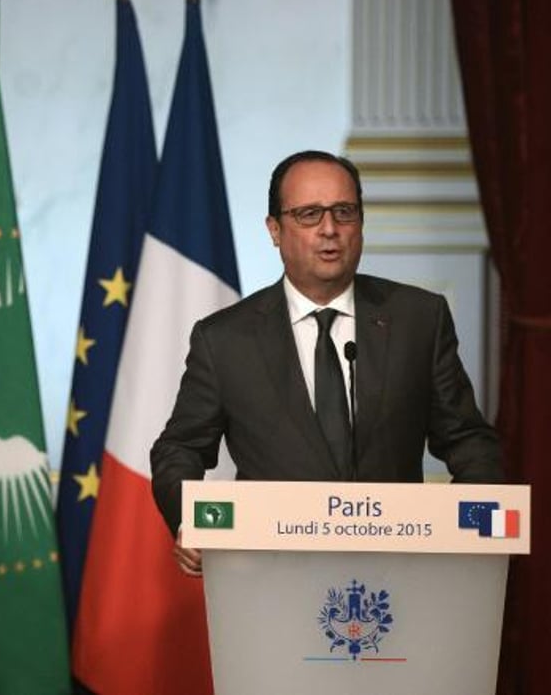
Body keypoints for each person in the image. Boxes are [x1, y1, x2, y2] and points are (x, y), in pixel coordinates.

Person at [150, 150, 503, 576]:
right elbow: (180, 448)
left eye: (344, 212)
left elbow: (467, 438)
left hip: (398, 578)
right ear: (275, 230)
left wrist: (469, 531)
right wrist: (192, 523)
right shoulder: (224, 339)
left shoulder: (419, 319)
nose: (330, 230)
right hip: (270, 578)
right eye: (309, 214)